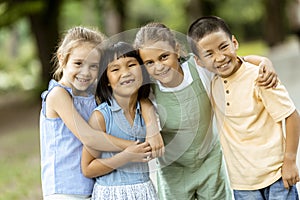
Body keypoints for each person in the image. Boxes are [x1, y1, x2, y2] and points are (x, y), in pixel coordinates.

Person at [134, 22, 278, 200]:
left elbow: (236, 61)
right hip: (174, 170)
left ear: (177, 50)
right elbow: (137, 100)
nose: (158, 67)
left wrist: (264, 61)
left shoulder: (199, 69)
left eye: (164, 57)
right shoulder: (149, 90)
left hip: (209, 162)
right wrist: (151, 126)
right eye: (149, 62)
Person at [40, 27, 162, 199]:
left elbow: (136, 97)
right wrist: (131, 147)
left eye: (93, 66)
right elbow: (90, 137)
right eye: (78, 63)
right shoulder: (58, 95)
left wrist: (151, 125)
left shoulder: (92, 93)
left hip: (92, 185)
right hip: (64, 188)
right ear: (62, 58)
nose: (85, 72)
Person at [187, 15, 300, 200]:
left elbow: (292, 116)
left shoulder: (260, 77)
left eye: (223, 47)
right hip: (242, 184)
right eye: (209, 54)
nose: (220, 57)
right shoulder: (211, 83)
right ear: (199, 61)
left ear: (234, 43)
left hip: (277, 175)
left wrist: (289, 161)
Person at [81, 42, 159, 200]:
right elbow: (88, 168)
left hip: (144, 191)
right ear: (107, 80)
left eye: (131, 65)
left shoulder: (145, 109)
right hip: (112, 193)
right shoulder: (101, 117)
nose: (125, 73)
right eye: (115, 69)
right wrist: (126, 156)